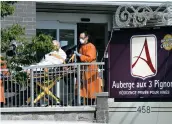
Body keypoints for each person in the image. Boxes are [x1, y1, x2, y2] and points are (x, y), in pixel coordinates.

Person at [74, 32, 102, 105]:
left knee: (91, 88)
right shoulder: (81, 47)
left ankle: (91, 103)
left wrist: (80, 55)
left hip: (91, 69)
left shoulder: (91, 46)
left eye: (82, 38)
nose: (81, 39)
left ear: (86, 38)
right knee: (84, 88)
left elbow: (89, 58)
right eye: (80, 38)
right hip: (85, 69)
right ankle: (86, 103)